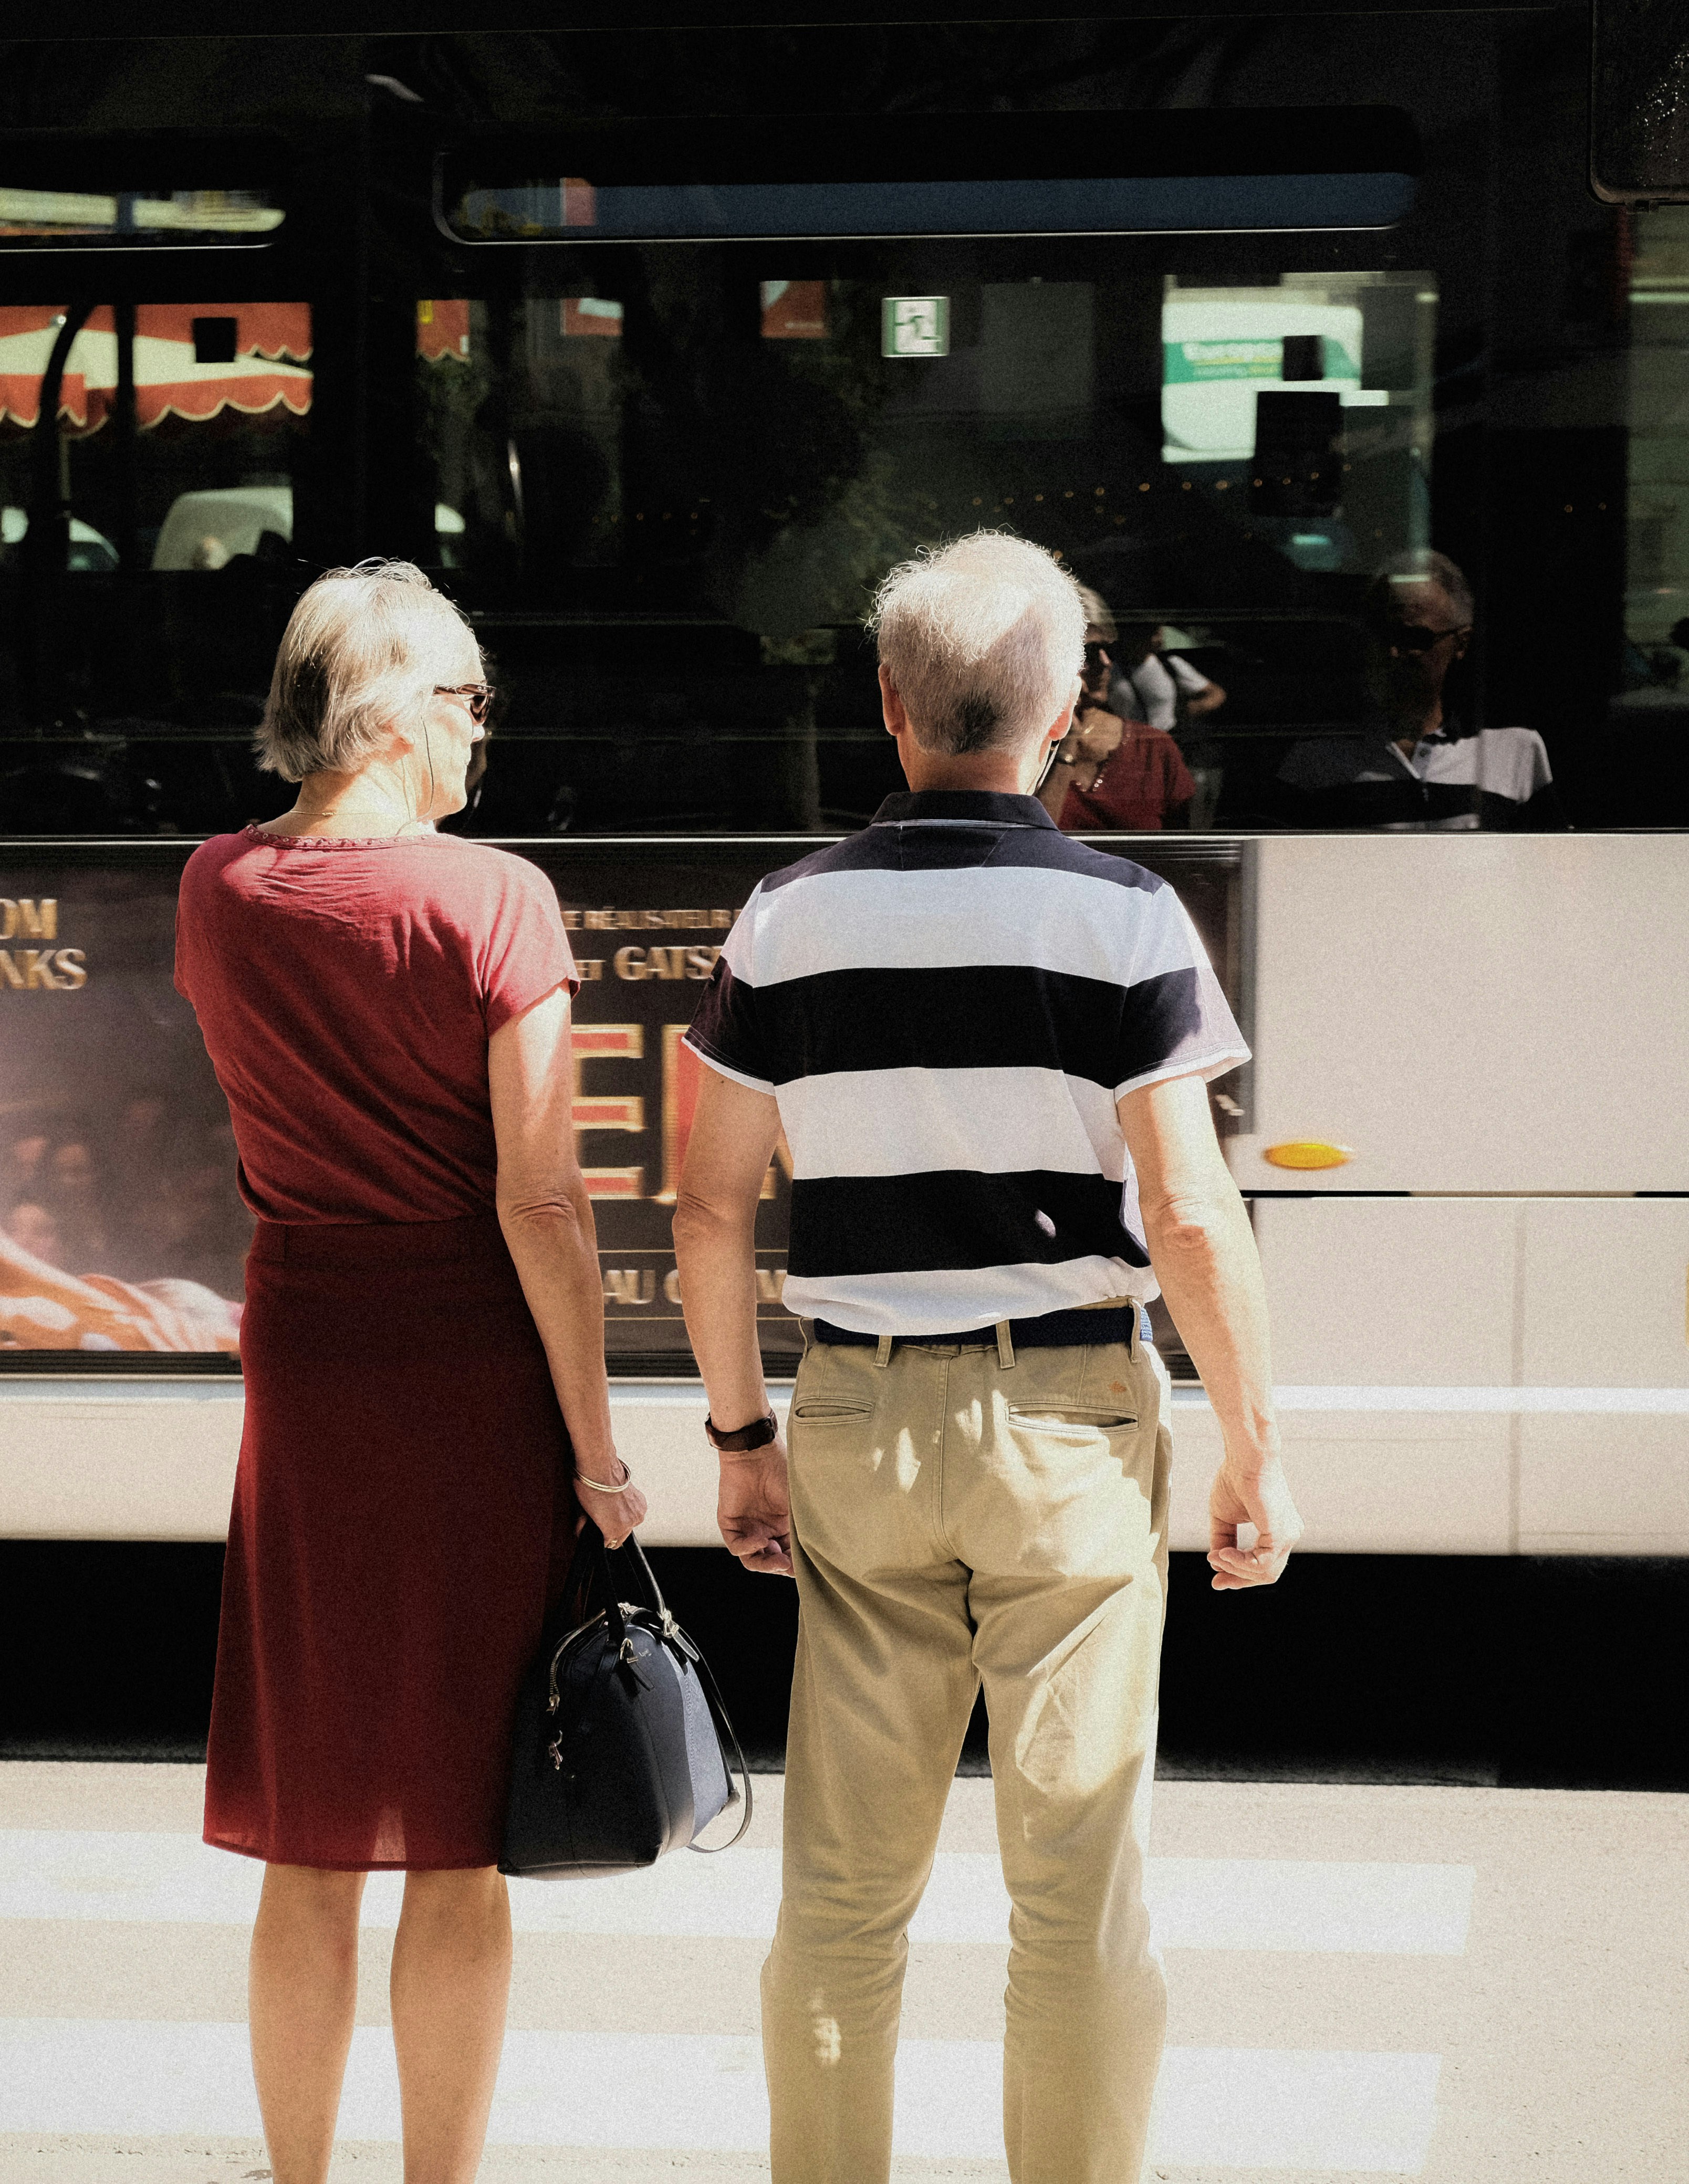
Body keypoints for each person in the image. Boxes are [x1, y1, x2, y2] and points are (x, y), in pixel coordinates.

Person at [673, 531, 1302, 2184]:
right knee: (1077, 1895)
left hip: (858, 1416)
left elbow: (709, 1205)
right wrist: (1252, 1443)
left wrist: (740, 1436)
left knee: (840, 1896)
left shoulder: (787, 916)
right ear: (1067, 710)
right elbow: (1187, 1207)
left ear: (887, 701)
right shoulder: (1126, 915)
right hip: (1067, 1424)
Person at [174, 560, 644, 2184]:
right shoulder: (492, 898)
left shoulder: (216, 886)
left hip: (307, 1355)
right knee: (457, 1834)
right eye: (462, 697)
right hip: (467, 1373)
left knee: (308, 1826)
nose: (477, 728)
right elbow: (541, 1198)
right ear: (384, 715)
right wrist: (598, 1451)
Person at [1278, 548, 1568, 828]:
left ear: (1461, 643)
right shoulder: (1315, 761)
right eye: (1383, 636)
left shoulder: (1514, 751)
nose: (1393, 652)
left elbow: (1553, 858)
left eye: (1414, 638)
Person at [1039, 583, 1196, 830]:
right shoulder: (1022, 746)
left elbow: (1182, 846)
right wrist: (1068, 741)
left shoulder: (1153, 749)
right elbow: (1031, 841)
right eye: (1088, 651)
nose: (1105, 662)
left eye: (1110, 650)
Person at [1113, 622, 1227, 738]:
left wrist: (1195, 708)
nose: (1159, 639)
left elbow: (1216, 693)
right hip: (1130, 742)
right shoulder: (1111, 671)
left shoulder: (1170, 664)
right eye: (1153, 634)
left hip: (1168, 740)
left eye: (1159, 633)